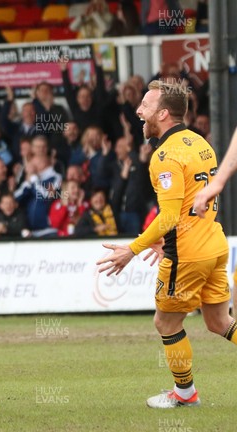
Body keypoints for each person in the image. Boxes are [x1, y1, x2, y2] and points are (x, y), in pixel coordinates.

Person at [97, 80, 230, 409]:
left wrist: (133, 248)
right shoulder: (200, 143)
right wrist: (161, 239)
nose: (139, 111)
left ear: (164, 113)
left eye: (145, 105)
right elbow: (190, 204)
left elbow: (169, 216)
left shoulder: (165, 155)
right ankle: (185, 393)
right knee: (219, 322)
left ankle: (185, 394)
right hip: (213, 242)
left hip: (187, 253)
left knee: (166, 322)